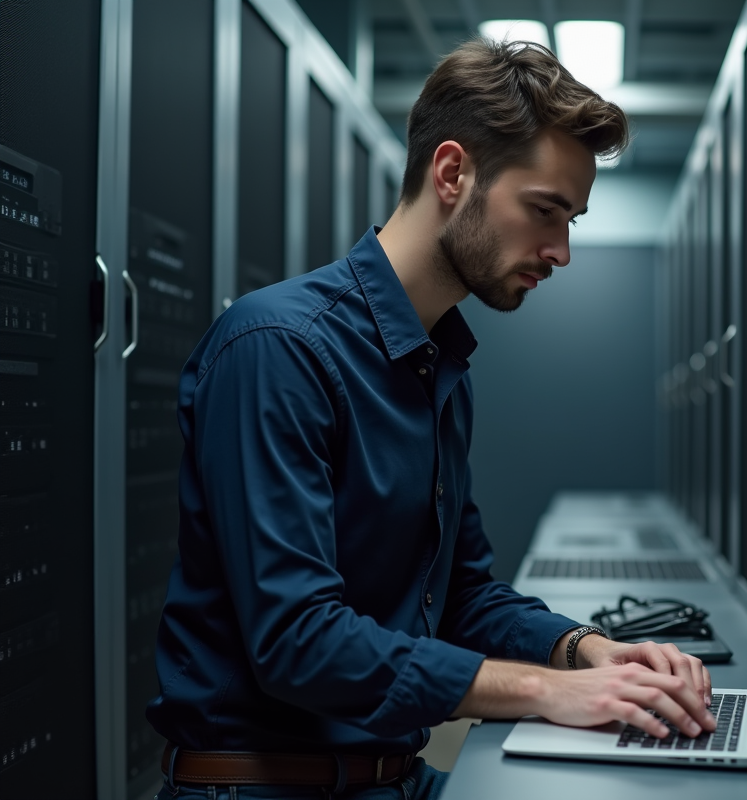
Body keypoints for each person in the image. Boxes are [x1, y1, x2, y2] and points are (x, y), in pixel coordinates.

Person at [148, 38, 716, 800]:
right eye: (545, 210)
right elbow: (298, 642)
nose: (562, 250)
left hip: (394, 778)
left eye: (573, 219)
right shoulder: (277, 349)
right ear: (453, 173)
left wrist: (586, 651)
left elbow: (459, 596)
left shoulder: (435, 364)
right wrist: (543, 692)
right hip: (267, 787)